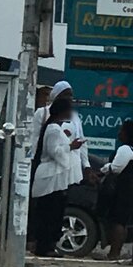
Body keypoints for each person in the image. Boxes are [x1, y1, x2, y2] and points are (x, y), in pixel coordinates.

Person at [30, 97, 82, 257]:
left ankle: (49, 245)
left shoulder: (56, 128)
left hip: (57, 178)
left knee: (55, 211)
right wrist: (70, 146)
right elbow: (53, 151)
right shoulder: (52, 128)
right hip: (50, 176)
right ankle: (45, 246)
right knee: (49, 212)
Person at [32, 81, 93, 186]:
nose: (69, 98)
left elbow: (81, 142)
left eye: (71, 95)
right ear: (56, 95)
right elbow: (34, 141)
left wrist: (86, 166)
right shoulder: (42, 113)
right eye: (65, 94)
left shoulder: (75, 117)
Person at [99, 120, 133, 260]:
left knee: (118, 220)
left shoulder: (125, 149)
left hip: (121, 187)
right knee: (121, 221)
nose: (119, 133)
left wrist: (104, 169)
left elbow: (116, 168)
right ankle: (115, 252)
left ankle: (114, 253)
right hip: (128, 187)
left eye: (121, 130)